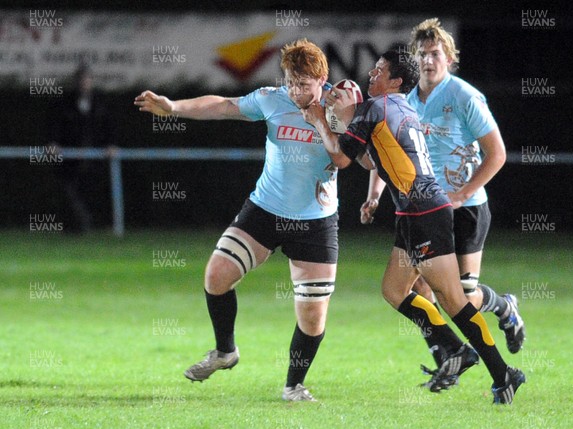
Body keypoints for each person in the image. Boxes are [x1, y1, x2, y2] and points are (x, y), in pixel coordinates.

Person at [302, 50, 525, 404]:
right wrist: (344, 122)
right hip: (413, 214)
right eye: (373, 69)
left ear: (396, 82)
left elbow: (342, 159)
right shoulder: (400, 108)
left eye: (379, 71)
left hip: (424, 213)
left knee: (454, 300)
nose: (371, 75)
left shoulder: (377, 107)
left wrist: (321, 121)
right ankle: (454, 349)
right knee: (394, 290)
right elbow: (369, 159)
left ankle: (503, 374)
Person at [134, 39, 338, 402]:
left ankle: (293, 386)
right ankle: (225, 351)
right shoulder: (272, 99)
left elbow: (369, 148)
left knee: (312, 318)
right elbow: (224, 105)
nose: (295, 91)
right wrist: (173, 107)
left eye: (303, 84)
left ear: (322, 79)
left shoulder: (342, 106)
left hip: (315, 221)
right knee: (216, 275)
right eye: (290, 81)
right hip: (265, 209)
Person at [404, 18, 525, 357]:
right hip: (428, 209)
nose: (428, 60)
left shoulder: (464, 96)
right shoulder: (408, 101)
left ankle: (504, 307)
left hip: (467, 209)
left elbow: (497, 153)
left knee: (461, 295)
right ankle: (446, 354)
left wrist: (461, 193)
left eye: (435, 54)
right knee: (416, 285)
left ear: (450, 59)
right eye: (422, 54)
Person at [48, 64, 115, 232]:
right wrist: (53, 143)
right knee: (69, 193)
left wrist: (111, 145)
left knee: (92, 193)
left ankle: (93, 225)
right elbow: (56, 126)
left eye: (87, 79)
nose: (83, 83)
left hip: (94, 160)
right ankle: (76, 226)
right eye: (81, 80)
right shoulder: (64, 102)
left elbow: (109, 127)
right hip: (69, 160)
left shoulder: (101, 103)